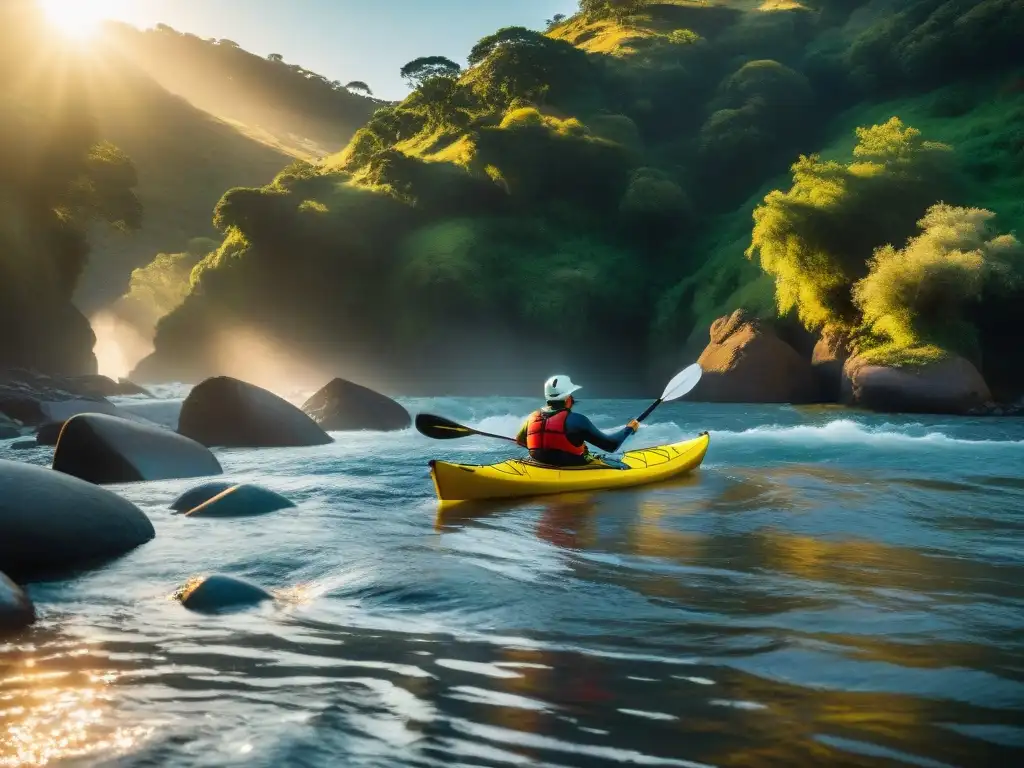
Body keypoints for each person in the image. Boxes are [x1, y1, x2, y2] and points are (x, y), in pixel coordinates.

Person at [515, 374, 640, 467]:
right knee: (622, 465)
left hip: (538, 465)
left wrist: (546, 447)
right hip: (570, 468)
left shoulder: (531, 418)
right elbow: (611, 445)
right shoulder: (577, 420)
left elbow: (520, 441)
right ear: (568, 399)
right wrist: (629, 429)